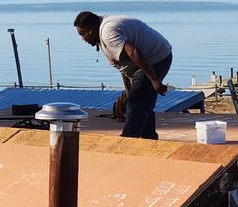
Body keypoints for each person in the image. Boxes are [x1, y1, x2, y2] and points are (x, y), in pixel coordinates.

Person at [74, 11, 172, 139]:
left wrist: (154, 79)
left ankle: (129, 139)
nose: (83, 39)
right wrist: (128, 90)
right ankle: (149, 139)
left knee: (136, 103)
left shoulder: (108, 33)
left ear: (90, 30)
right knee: (142, 101)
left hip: (155, 58)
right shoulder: (103, 30)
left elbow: (133, 51)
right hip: (148, 59)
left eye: (83, 34)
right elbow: (124, 66)